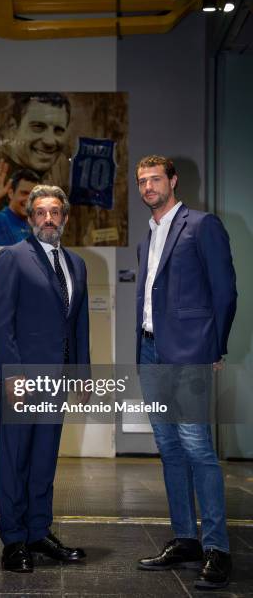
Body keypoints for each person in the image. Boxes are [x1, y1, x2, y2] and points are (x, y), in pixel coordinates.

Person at [135, 155, 237, 590]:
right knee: (169, 447)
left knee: (197, 446)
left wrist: (215, 347)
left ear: (173, 181)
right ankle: (185, 539)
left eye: (155, 179)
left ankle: (217, 548)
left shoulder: (202, 224)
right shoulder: (149, 236)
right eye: (142, 181)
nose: (148, 187)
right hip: (150, 350)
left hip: (191, 353)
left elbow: (226, 291)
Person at [0, 185, 90, 573]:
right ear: (30, 219)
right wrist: (13, 375)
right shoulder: (12, 258)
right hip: (24, 378)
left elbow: (79, 324)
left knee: (45, 458)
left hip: (59, 380)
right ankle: (13, 541)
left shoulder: (77, 264)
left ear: (64, 218)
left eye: (55, 212)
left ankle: (38, 532)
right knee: (16, 459)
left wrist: (81, 376)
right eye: (41, 212)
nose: (49, 219)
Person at [0, 92, 71, 227]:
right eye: (38, 127)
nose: (50, 141)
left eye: (58, 130)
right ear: (13, 127)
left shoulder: (64, 175)